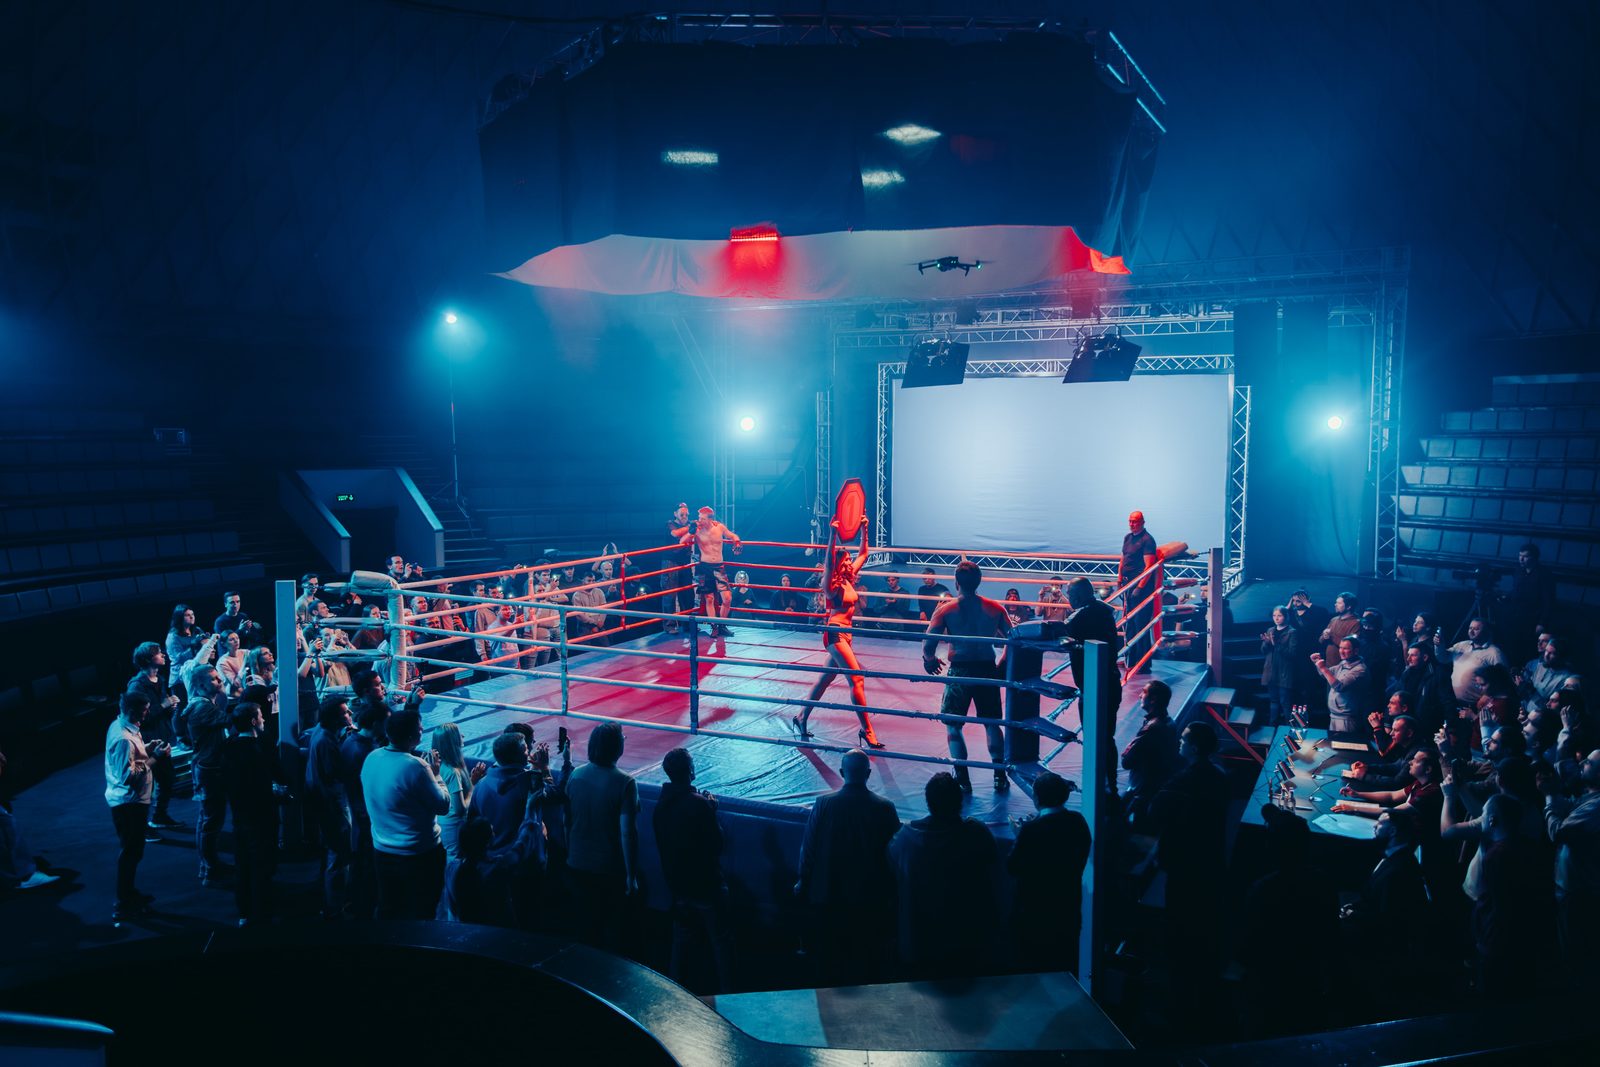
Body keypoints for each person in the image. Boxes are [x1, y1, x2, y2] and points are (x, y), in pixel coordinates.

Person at [795, 749, 902, 984]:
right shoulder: (885, 807)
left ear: (842, 773)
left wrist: (803, 880)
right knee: (866, 959)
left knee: (831, 959)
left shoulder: (824, 804)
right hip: (869, 897)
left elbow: (808, 846)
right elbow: (896, 853)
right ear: (868, 774)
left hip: (829, 893)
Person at [888, 772, 999, 978]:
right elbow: (994, 864)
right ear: (959, 801)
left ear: (928, 802)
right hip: (968, 938)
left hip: (921, 940)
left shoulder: (906, 838)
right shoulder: (977, 833)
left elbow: (892, 868)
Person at [1148, 723, 1229, 1000]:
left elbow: (1155, 812)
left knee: (1180, 918)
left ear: (1193, 748)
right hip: (1210, 858)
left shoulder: (1183, 782)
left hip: (1184, 861)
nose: (1179, 743)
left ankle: (1180, 981)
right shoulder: (1219, 776)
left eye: (1183, 740)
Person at [924, 560, 1014, 792]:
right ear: (979, 581)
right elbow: (1014, 639)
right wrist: (1004, 662)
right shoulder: (995, 608)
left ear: (956, 583)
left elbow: (929, 643)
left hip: (960, 670)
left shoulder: (946, 609)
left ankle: (963, 779)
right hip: (987, 668)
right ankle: (999, 776)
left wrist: (929, 660)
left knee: (953, 725)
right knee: (992, 724)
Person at [794, 522, 882, 748]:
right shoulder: (831, 586)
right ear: (838, 564)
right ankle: (867, 730)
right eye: (847, 560)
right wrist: (832, 534)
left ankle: (801, 716)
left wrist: (864, 529)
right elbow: (828, 562)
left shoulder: (848, 580)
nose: (851, 562)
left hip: (846, 636)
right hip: (835, 635)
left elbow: (864, 554)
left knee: (825, 679)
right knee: (857, 679)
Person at [360, 708, 450, 920]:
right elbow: (443, 805)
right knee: (422, 911)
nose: (423, 730)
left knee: (389, 907)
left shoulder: (372, 757)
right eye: (420, 728)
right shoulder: (416, 766)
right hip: (418, 855)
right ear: (411, 736)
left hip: (382, 851)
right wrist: (437, 775)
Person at [654, 747, 731, 991]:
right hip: (706, 885)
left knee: (681, 941)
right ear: (690, 771)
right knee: (720, 943)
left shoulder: (661, 805)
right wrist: (711, 810)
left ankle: (674, 992)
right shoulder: (699, 805)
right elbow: (717, 845)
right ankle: (729, 997)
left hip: (678, 885)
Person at [564, 721, 640, 952]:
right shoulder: (625, 782)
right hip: (608, 867)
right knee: (611, 930)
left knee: (585, 928)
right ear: (617, 747)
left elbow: (566, 820)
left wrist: (570, 852)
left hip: (577, 863)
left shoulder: (576, 775)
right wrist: (631, 874)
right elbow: (627, 832)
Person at [1006, 770, 1090, 975]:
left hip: (1033, 914)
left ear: (1036, 798)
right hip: (1068, 908)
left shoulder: (1030, 831)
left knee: (1032, 969)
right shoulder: (1078, 820)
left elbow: (1012, 867)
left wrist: (1019, 835)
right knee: (1066, 966)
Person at [105, 692, 162, 921]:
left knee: (133, 851)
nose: (148, 713)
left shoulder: (122, 726)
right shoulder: (124, 739)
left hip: (131, 801)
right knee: (131, 852)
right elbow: (127, 776)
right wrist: (155, 758)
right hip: (129, 803)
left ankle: (128, 894)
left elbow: (130, 758)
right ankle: (123, 902)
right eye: (145, 709)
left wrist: (146, 748)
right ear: (132, 710)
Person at [1541, 747, 1600, 971]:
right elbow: (1570, 807)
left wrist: (1549, 798)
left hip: (1579, 890)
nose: (1582, 762)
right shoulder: (1590, 797)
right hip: (1574, 886)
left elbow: (1558, 832)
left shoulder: (1596, 807)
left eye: (1589, 763)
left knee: (1576, 952)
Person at [222, 701, 278, 925]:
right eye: (261, 715)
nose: (264, 719)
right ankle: (262, 913)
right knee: (261, 865)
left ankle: (244, 911)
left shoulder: (229, 746)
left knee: (243, 864)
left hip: (239, 815)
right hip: (261, 816)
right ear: (254, 721)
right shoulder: (258, 750)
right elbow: (267, 782)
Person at [1063, 577, 1122, 778]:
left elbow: (1058, 631)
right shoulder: (1104, 610)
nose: (1068, 599)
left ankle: (1096, 782)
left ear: (1078, 596)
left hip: (1093, 685)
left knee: (1094, 737)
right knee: (1106, 737)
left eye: (1070, 594)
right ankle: (1108, 783)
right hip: (1109, 680)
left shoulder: (1081, 615)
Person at [304, 697, 353, 917]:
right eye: (345, 712)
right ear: (334, 718)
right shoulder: (326, 742)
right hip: (333, 806)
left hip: (324, 803)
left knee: (332, 853)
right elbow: (336, 773)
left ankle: (329, 899)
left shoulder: (321, 733)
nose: (349, 714)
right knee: (339, 855)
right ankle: (335, 907)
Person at [125, 641, 182, 829]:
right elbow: (138, 717)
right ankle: (145, 825)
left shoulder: (160, 680)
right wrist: (164, 705)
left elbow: (161, 709)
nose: (163, 655)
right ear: (149, 659)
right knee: (148, 783)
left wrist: (170, 708)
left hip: (162, 735)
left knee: (166, 779)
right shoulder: (137, 685)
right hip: (147, 739)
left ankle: (159, 816)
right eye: (158, 653)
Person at [186, 664, 233, 886]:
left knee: (208, 819)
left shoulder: (203, 704)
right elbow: (229, 718)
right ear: (201, 685)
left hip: (208, 766)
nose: (220, 681)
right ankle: (209, 870)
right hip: (209, 769)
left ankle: (208, 865)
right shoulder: (203, 708)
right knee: (210, 821)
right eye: (214, 679)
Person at [340, 698, 387, 919]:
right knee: (366, 864)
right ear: (376, 724)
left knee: (360, 863)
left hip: (360, 812)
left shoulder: (352, 742)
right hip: (366, 815)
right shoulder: (365, 751)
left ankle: (356, 905)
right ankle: (363, 909)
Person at [1121, 680, 1181, 828]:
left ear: (1153, 699)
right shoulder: (1169, 722)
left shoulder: (1152, 728)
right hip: (1154, 786)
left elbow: (1126, 761)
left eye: (1144, 692)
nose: (1140, 695)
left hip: (1143, 790)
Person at [680, 505, 742, 636]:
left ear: (710, 519)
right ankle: (714, 627)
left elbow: (732, 535)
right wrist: (691, 532)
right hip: (704, 567)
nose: (700, 520)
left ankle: (722, 625)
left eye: (702, 518)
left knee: (727, 598)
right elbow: (682, 541)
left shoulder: (719, 527)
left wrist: (737, 542)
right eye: (699, 518)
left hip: (719, 567)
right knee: (709, 599)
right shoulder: (697, 529)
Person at [432, 722, 484, 859]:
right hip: (453, 826)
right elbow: (460, 809)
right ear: (452, 741)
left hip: (444, 822)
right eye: (459, 734)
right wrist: (473, 787)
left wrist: (471, 781)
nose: (463, 736)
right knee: (455, 860)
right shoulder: (453, 772)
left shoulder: (438, 766)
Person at [1117, 510, 1160, 668]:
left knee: (1140, 623)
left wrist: (1140, 587)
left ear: (1142, 522)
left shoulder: (1147, 540)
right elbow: (1123, 559)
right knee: (1129, 624)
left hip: (1140, 587)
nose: (1132, 524)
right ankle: (1130, 659)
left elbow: (1149, 566)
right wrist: (1119, 578)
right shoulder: (1128, 538)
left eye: (1135, 521)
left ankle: (1143, 664)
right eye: (1130, 521)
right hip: (1128, 584)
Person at [1507, 542, 1556, 661]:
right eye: (1520, 555)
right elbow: (1515, 590)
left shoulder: (1544, 574)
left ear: (1534, 558)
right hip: (1517, 616)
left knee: (1529, 648)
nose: (1521, 559)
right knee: (1514, 646)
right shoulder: (1518, 571)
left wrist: (1542, 622)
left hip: (1533, 619)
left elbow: (1548, 600)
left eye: (1525, 556)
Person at [1311, 636, 1369, 733]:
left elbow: (1339, 686)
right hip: (1334, 716)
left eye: (1345, 648)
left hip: (1347, 720)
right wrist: (1317, 663)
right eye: (1340, 647)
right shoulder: (1343, 664)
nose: (1341, 651)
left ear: (1356, 651)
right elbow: (1327, 675)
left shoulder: (1360, 670)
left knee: (1345, 742)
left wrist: (1323, 668)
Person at [1447, 618, 1507, 707]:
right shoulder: (1462, 645)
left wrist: (1488, 696)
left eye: (1476, 629)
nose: (1471, 631)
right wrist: (1439, 645)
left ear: (1485, 631)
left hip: (1477, 705)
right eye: (1470, 628)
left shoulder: (1494, 653)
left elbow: (1504, 680)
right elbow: (1443, 658)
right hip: (1454, 702)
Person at [1260, 606, 1299, 725]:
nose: (1276, 618)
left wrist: (1276, 643)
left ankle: (1288, 729)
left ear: (1286, 616)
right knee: (1273, 701)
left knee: (1285, 703)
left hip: (1284, 673)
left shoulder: (1292, 632)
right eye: (1274, 616)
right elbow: (1263, 651)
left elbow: (1292, 654)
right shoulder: (1270, 630)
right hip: (1271, 672)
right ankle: (1272, 727)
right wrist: (1266, 643)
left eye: (1279, 616)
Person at [1318, 592, 1361, 665]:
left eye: (1339, 603)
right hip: (1329, 664)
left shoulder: (1356, 623)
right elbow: (1320, 640)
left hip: (1345, 666)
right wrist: (1324, 637)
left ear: (1348, 607)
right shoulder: (1334, 620)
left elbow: (1350, 645)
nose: (1335, 605)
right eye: (1336, 602)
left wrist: (1331, 636)